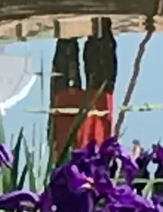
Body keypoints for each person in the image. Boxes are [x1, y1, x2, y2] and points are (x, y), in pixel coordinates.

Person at [49, 17, 116, 158]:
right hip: (95, 132)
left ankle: (68, 25)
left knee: (67, 57)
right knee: (101, 63)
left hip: (67, 126)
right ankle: (101, 27)